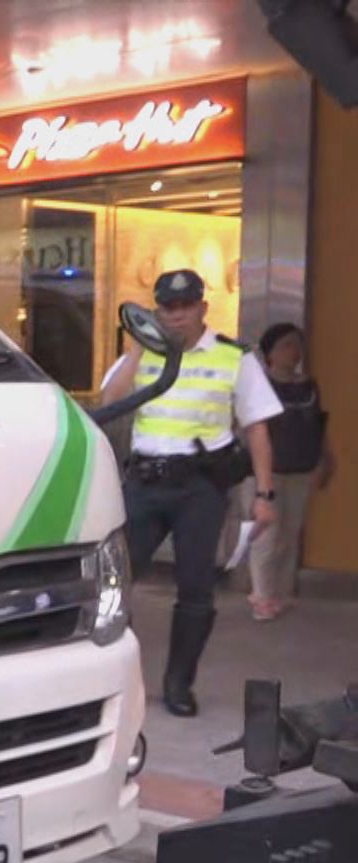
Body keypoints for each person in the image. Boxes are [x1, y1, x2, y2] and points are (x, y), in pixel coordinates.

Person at [100, 269, 281, 716]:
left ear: (203, 307)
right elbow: (110, 400)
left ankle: (179, 684)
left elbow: (257, 428)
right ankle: (112, 681)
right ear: (157, 310)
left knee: (196, 589)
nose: (177, 315)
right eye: (168, 307)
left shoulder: (232, 356)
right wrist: (140, 344)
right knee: (114, 583)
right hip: (145, 484)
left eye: (185, 306)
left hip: (199, 487)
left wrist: (265, 495)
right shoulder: (143, 354)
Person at [248, 322, 336, 620]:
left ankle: (281, 593)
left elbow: (318, 425)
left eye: (297, 344)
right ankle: (261, 596)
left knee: (289, 533)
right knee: (266, 536)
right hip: (268, 472)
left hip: (301, 468)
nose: (294, 351)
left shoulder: (309, 387)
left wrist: (325, 457)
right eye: (286, 345)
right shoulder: (260, 386)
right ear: (270, 353)